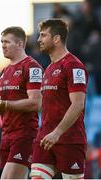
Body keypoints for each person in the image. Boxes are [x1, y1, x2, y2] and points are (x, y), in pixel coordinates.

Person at [0, 26, 43, 179]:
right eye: (2, 42)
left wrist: (3, 103)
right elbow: (2, 110)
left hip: (24, 134)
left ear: (20, 44)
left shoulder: (32, 67)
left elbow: (35, 104)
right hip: (7, 135)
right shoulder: (5, 71)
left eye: (7, 42)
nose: (3, 46)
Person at [30, 19, 89, 179]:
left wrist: (57, 133)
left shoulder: (74, 66)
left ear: (56, 39)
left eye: (43, 35)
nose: (39, 40)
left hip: (69, 139)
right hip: (45, 138)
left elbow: (78, 104)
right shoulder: (48, 69)